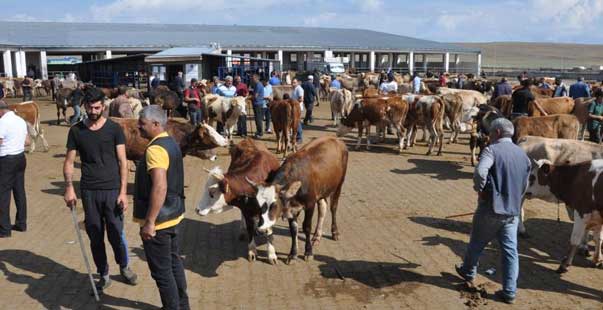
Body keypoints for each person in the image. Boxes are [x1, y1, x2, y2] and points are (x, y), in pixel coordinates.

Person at [63, 88, 138, 292]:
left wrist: (123, 192)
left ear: (103, 106)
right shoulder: (76, 130)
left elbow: (123, 162)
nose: (94, 111)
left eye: (97, 107)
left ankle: (124, 266)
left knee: (116, 232)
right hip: (89, 191)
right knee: (95, 234)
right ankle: (103, 273)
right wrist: (69, 188)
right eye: (90, 107)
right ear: (85, 106)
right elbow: (69, 162)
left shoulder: (114, 129)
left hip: (112, 190)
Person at [455, 117, 531, 305]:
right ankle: (509, 292)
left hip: (491, 208)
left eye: (490, 132)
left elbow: (481, 172)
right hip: (512, 212)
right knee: (510, 251)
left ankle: (468, 271)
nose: (488, 136)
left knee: (476, 242)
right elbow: (525, 183)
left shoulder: (492, 150)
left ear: (497, 133)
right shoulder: (522, 155)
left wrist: (480, 189)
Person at [134, 105, 189, 310]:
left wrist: (149, 222)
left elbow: (160, 186)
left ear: (156, 124)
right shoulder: (171, 143)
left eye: (142, 124)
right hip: (174, 215)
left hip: (160, 221)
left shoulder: (156, 149)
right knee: (174, 264)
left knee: (162, 272)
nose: (138, 128)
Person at [0, 100, 30, 237]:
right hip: (20, 157)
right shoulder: (20, 120)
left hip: (6, 160)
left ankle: (4, 229)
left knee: (3, 194)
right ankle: (21, 223)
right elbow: (27, 141)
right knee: (19, 191)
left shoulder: (2, 122)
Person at [251, 74, 266, 138]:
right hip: (258, 103)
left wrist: (249, 97)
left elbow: (255, 96)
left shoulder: (258, 85)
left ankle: (260, 132)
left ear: (256, 78)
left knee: (258, 119)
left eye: (253, 78)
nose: (252, 79)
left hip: (258, 104)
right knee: (257, 118)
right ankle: (258, 131)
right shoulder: (258, 85)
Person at [291, 78, 304, 143]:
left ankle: (299, 137)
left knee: (297, 123)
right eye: (292, 82)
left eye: (294, 82)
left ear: (297, 83)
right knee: (295, 122)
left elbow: (301, 99)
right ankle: (296, 136)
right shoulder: (294, 89)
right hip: (294, 108)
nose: (293, 84)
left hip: (298, 108)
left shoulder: (299, 89)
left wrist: (294, 103)